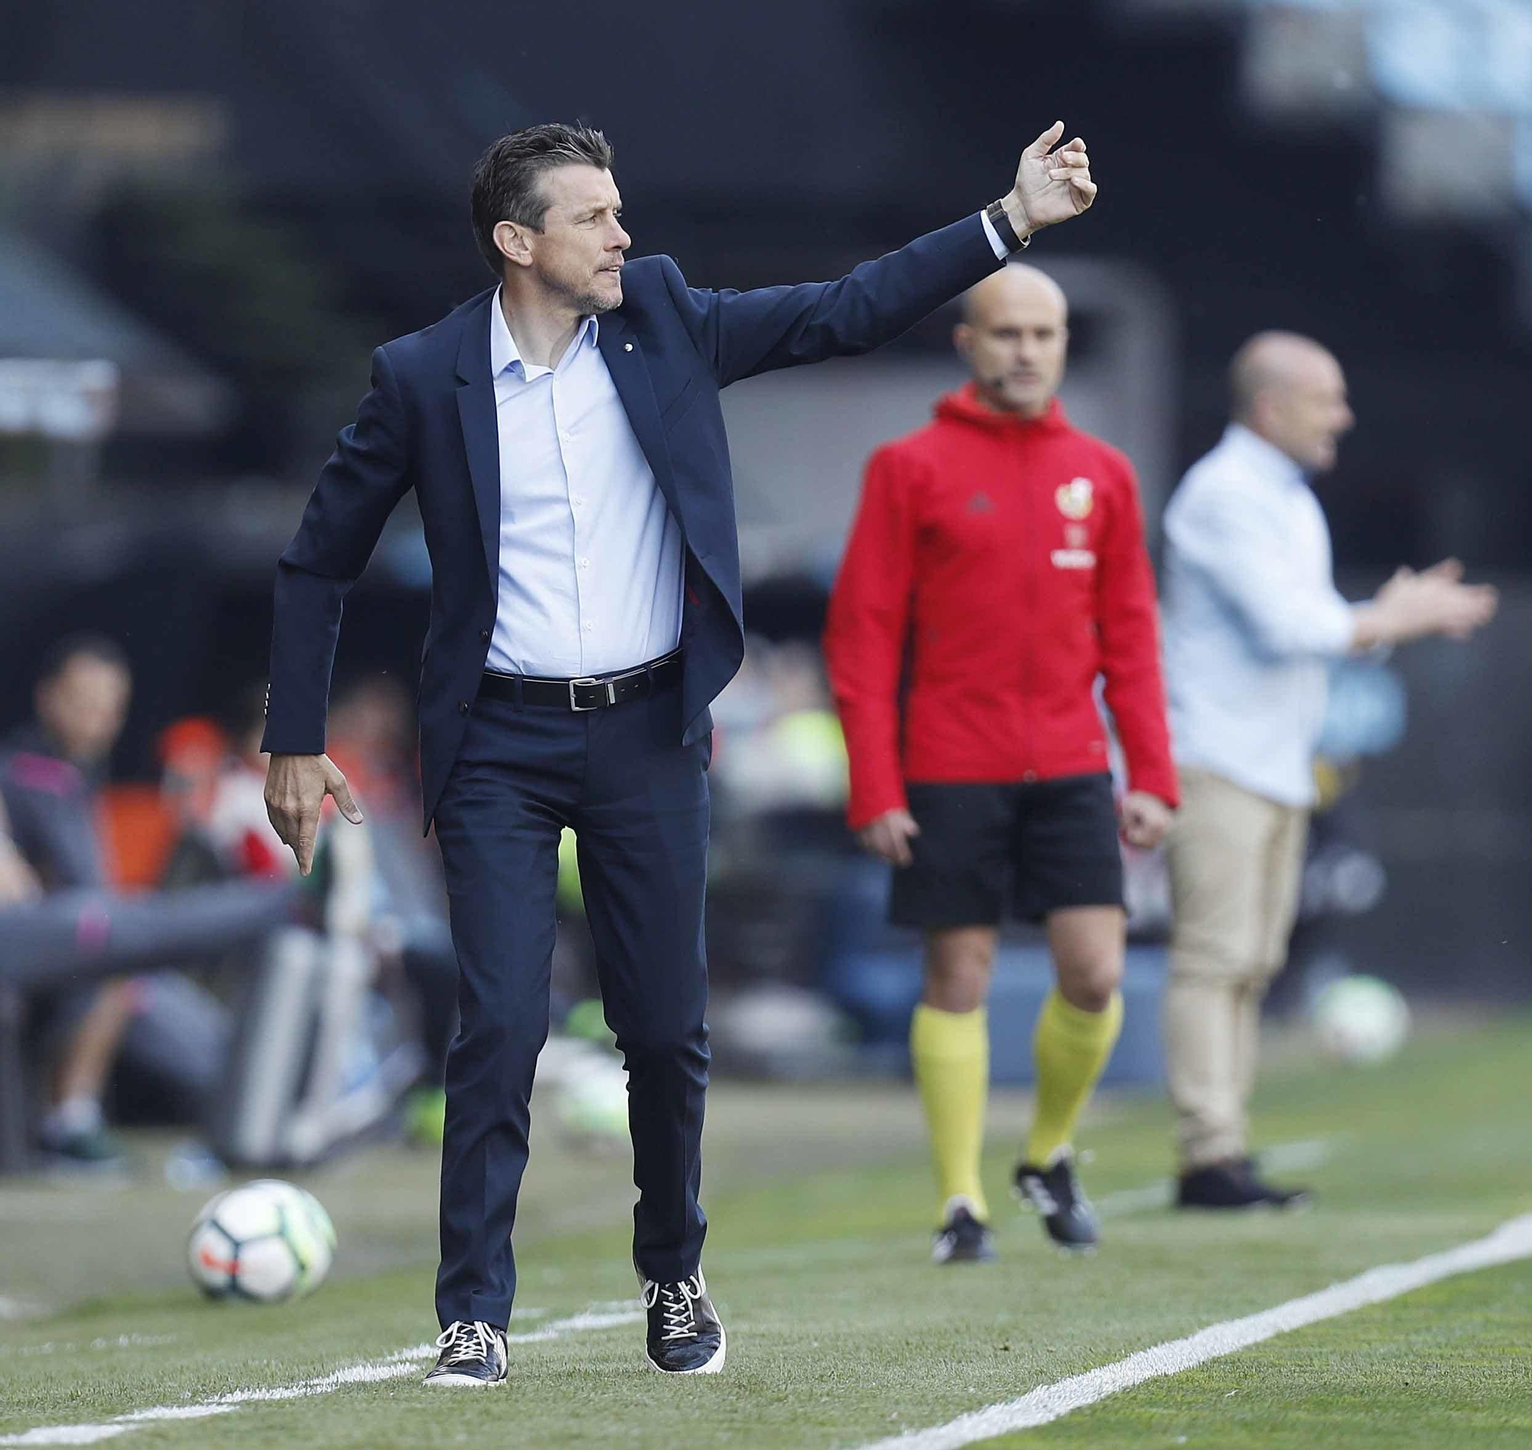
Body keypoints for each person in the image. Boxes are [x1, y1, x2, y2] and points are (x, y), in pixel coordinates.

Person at [260, 120, 1100, 1382]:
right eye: (593, 216)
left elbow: (845, 311)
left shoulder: (663, 317)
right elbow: (318, 557)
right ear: (516, 240)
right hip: (494, 739)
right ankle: (472, 1312)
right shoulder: (422, 373)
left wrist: (1010, 219)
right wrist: (292, 738)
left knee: (663, 1029)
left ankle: (674, 1274)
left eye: (619, 211)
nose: (622, 234)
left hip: (652, 730)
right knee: (496, 1023)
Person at [823, 264, 1178, 1264]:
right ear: (967, 345)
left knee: (1096, 972)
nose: (1027, 350)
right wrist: (875, 785)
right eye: (1007, 332)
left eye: (1045, 333)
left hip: (1069, 762)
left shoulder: (1102, 473)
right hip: (949, 763)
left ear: (1063, 345)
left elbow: (1131, 636)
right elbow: (861, 636)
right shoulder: (909, 466)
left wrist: (1151, 774)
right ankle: (959, 1201)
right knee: (958, 975)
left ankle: (1047, 1153)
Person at [1160, 331, 1498, 1209]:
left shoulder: (1288, 500)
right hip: (1217, 759)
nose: (1343, 416)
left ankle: (1222, 1147)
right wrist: (1394, 616)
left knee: (1253, 959)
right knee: (1215, 957)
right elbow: (1291, 628)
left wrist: (1384, 620)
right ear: (1271, 407)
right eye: (1327, 398)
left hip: (1276, 764)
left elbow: (1317, 634)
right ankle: (1210, 1155)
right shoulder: (1221, 495)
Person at [1, 636, 138, 1166]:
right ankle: (69, 1122)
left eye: (111, 707)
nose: (99, 719)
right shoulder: (27, 772)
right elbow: (86, 889)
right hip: (42, 947)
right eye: (84, 702)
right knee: (118, 948)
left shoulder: (78, 775)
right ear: (47, 698)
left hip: (71, 952)